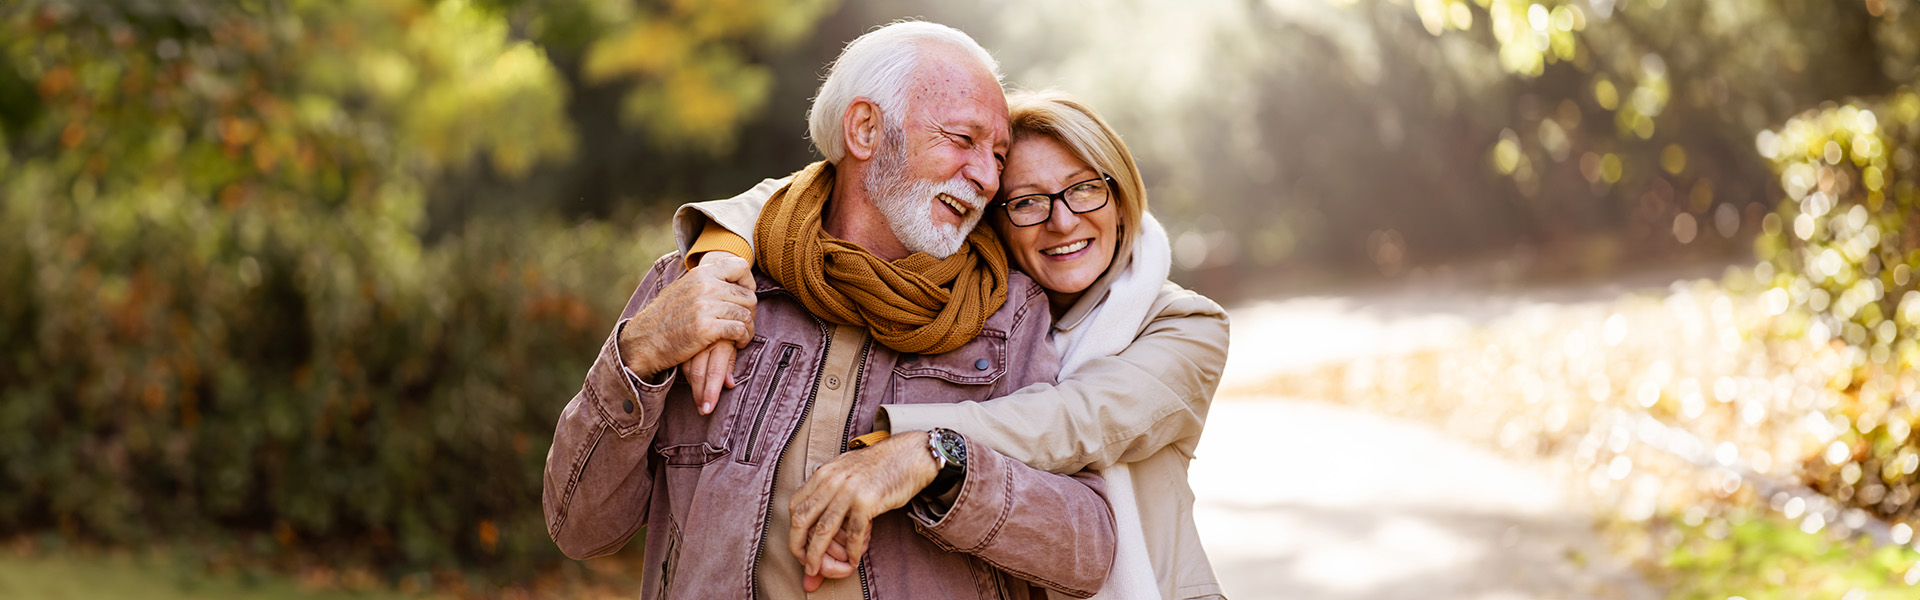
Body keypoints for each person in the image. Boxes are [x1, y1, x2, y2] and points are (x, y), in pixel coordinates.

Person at [540, 21, 1119, 600]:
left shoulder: (1010, 315)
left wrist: (942, 464)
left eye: (998, 154)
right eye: (963, 140)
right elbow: (580, 528)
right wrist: (639, 352)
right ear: (866, 129)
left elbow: (1087, 550)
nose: (989, 177)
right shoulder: (700, 282)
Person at [675, 91, 1230, 599]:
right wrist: (722, 250)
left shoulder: (1186, 325)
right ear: (994, 215)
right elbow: (826, 195)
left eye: (1085, 188)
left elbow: (1076, 419)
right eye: (1029, 201)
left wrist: (921, 448)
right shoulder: (985, 304)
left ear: (1121, 195)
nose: (1062, 221)